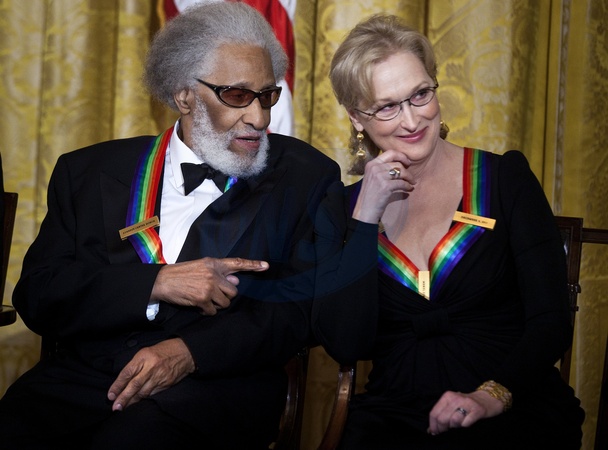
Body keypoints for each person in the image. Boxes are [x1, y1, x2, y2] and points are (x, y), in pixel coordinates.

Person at [0, 2, 340, 449]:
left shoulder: (304, 176)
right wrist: (155, 283)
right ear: (184, 96)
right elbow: (40, 294)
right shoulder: (88, 171)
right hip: (81, 387)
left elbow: (298, 312)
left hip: (212, 392)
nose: (259, 118)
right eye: (237, 96)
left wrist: (189, 353)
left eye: (266, 96)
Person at [315, 14, 584, 449]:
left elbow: (550, 320)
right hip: (394, 414)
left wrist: (490, 396)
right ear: (356, 118)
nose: (411, 120)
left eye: (420, 94)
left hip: (508, 401)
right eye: (387, 106)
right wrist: (365, 216)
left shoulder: (504, 179)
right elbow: (348, 344)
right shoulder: (342, 210)